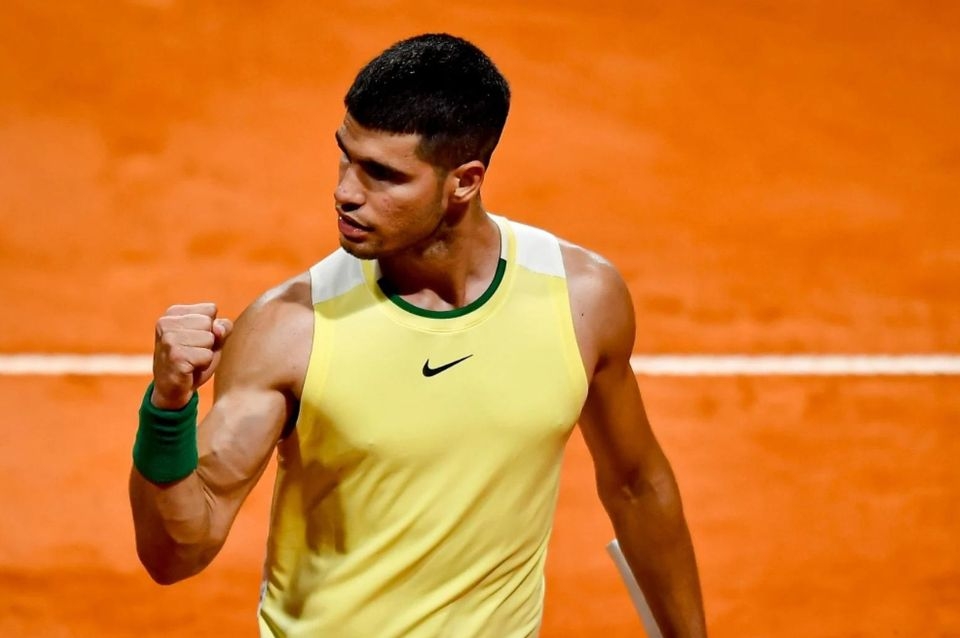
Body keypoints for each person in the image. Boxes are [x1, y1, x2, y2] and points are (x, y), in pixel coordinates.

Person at [129, 33, 707, 637]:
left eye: (382, 175)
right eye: (346, 157)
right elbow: (176, 553)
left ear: (464, 181)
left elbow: (637, 486)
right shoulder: (291, 330)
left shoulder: (581, 299)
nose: (346, 192)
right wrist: (167, 410)